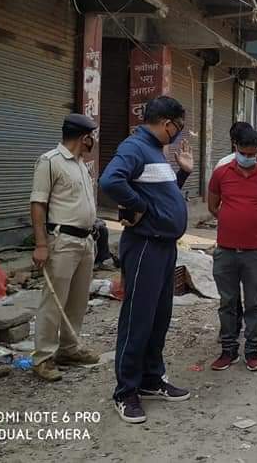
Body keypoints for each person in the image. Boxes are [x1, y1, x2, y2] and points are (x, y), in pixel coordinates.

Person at [99, 96, 194, 424]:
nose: (178, 133)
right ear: (166, 121)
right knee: (137, 318)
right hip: (144, 247)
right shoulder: (135, 146)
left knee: (159, 316)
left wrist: (182, 176)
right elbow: (110, 181)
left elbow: (161, 195)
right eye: (178, 126)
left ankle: (152, 378)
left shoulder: (156, 151)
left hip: (164, 246)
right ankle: (126, 391)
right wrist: (136, 205)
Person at [29, 113, 101, 382]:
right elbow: (38, 204)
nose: (92, 140)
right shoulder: (50, 162)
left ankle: (69, 349)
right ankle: (43, 357)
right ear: (84, 137)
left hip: (85, 241)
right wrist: (40, 244)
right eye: (91, 136)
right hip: (62, 241)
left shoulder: (82, 165)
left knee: (78, 299)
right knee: (53, 301)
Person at [208, 127, 257, 373]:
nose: (247, 157)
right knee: (227, 302)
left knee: (254, 302)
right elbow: (212, 205)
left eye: (252, 154)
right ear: (235, 149)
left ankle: (251, 352)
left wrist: (256, 224)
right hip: (226, 250)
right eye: (243, 153)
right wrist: (232, 222)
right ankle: (228, 350)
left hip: (255, 251)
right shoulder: (221, 172)